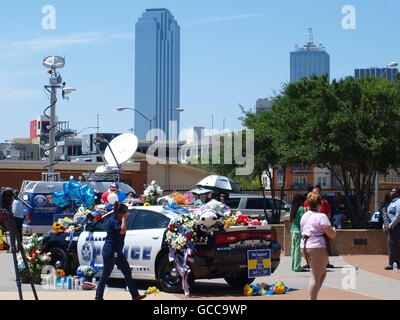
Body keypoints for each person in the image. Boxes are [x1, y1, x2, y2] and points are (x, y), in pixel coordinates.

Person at [95, 202, 146, 300]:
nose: (127, 214)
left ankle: (135, 295)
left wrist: (123, 218)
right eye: (125, 212)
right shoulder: (113, 221)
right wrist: (123, 219)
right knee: (106, 274)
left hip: (118, 252)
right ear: (119, 213)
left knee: (127, 272)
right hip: (110, 251)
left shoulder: (118, 219)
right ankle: (98, 297)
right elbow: (122, 231)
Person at [300, 192, 336, 300]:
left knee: (322, 273)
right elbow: (331, 234)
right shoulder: (321, 216)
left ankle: (313, 294)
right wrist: (334, 230)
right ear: (320, 204)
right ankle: (312, 297)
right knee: (315, 276)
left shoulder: (305, 216)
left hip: (305, 246)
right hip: (317, 247)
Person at [304, 185, 334, 268]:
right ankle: (308, 262)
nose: (315, 194)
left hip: (323, 226)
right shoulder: (307, 203)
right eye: (314, 192)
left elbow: (328, 212)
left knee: (326, 244)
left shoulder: (325, 202)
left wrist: (325, 223)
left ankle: (326, 261)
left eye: (317, 192)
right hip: (312, 229)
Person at [382, 188, 400, 270]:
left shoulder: (398, 202)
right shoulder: (389, 203)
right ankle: (396, 262)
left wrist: (391, 225)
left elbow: (398, 216)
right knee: (393, 245)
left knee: (392, 245)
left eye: (392, 191)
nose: (390, 192)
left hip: (396, 227)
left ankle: (391, 264)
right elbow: (386, 215)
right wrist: (385, 225)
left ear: (397, 193)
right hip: (391, 228)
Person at [290, 194, 306, 272]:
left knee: (293, 249)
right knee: (298, 250)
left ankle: (293, 266)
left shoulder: (292, 208)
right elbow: (303, 220)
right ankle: (297, 267)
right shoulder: (301, 209)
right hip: (298, 231)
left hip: (292, 230)